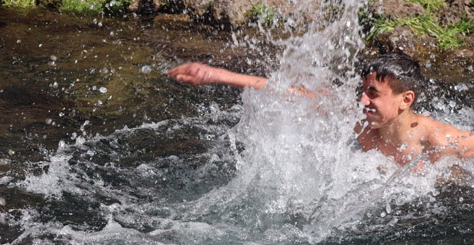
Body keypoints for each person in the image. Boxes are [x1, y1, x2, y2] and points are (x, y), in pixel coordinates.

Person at [167, 52, 474, 166]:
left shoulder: (438, 141)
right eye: (363, 91)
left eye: (373, 93)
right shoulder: (362, 121)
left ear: (406, 100)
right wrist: (217, 75)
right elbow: (293, 95)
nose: (363, 101)